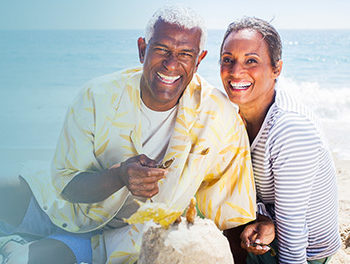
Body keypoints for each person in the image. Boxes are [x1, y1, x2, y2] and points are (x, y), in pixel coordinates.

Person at [0, 6, 257, 264]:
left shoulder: (219, 117)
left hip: (119, 239)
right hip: (62, 205)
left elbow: (229, 215)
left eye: (185, 54)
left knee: (22, 261)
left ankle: (14, 245)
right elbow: (66, 186)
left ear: (199, 60)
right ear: (142, 49)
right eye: (161, 50)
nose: (171, 64)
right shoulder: (96, 96)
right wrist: (119, 176)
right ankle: (17, 236)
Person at [220, 17, 341, 263]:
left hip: (306, 252)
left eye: (251, 61)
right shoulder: (235, 115)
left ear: (277, 69)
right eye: (227, 60)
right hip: (271, 224)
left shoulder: (290, 129)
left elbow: (294, 235)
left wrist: (267, 222)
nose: (235, 71)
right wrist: (264, 218)